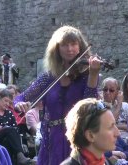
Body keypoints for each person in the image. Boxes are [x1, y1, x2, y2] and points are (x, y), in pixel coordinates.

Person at [14, 25, 101, 164]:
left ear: (80, 47)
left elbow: (90, 105)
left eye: (73, 44)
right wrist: (19, 104)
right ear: (57, 49)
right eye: (65, 45)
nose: (70, 49)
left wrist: (93, 75)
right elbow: (21, 97)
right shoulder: (49, 77)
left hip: (77, 136)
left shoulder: (87, 74)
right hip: (52, 139)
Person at [60, 98, 119, 165]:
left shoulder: (107, 162)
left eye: (115, 125)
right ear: (90, 136)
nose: (117, 133)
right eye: (110, 127)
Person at [0, 89, 35, 165]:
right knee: (9, 130)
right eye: (5, 101)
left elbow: (15, 129)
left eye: (9, 102)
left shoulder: (9, 113)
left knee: (10, 132)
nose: (7, 104)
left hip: (8, 140)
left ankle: (18, 157)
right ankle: (20, 156)